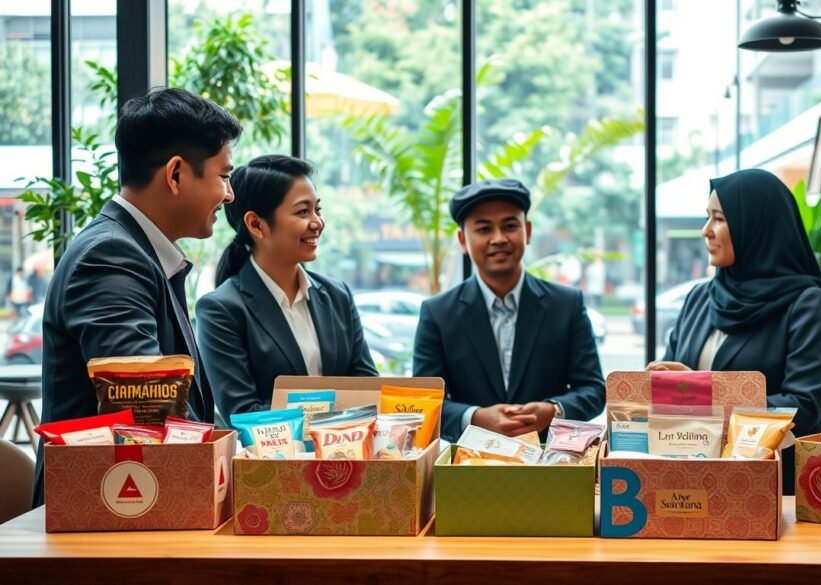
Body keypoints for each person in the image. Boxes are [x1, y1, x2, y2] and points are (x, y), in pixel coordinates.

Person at [34, 87, 242, 506]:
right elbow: (147, 415)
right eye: (223, 175)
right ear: (177, 174)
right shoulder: (112, 257)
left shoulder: (135, 250)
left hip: (131, 503)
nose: (229, 194)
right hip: (102, 521)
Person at [647, 168, 821, 494]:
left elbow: (801, 407)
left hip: (772, 483)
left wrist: (700, 391)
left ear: (757, 226)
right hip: (688, 471)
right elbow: (666, 384)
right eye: (708, 218)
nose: (706, 231)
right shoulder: (699, 298)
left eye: (719, 219)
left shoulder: (805, 304)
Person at [413, 179, 605, 442]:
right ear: (462, 240)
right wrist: (476, 417)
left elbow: (594, 389)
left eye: (510, 226)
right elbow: (425, 401)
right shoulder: (438, 313)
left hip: (552, 463)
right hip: (471, 468)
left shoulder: (566, 304)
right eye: (483, 229)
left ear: (527, 231)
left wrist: (552, 411)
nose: (499, 238)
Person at [196, 155, 377, 417]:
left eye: (318, 209)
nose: (317, 223)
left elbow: (369, 392)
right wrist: (335, 420)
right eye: (303, 212)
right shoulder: (221, 309)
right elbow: (243, 414)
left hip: (348, 453)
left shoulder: (337, 295)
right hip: (274, 457)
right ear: (256, 224)